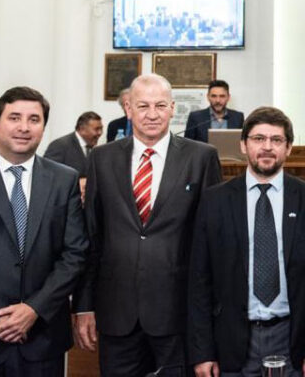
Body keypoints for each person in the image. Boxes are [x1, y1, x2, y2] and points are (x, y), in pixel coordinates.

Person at [73, 74, 222, 376]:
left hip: (177, 313)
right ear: (128, 108)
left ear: (173, 108)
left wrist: (207, 316)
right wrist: (84, 305)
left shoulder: (202, 158)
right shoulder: (102, 158)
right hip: (116, 313)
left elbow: (211, 243)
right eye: (142, 106)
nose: (151, 114)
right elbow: (91, 237)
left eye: (159, 105)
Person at [0, 86, 87, 376]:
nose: (24, 127)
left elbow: (75, 253)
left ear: (43, 128)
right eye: (14, 117)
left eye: (34, 119)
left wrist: (33, 309)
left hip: (41, 340)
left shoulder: (64, 180)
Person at [188, 106, 305, 377]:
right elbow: (199, 280)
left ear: (289, 148)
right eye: (258, 139)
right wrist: (202, 351)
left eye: (276, 140)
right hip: (231, 343)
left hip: (293, 341)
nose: (267, 147)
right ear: (243, 145)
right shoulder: (214, 200)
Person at [44, 111, 103, 175]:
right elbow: (48, 173)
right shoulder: (59, 145)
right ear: (82, 129)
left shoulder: (95, 148)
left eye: (101, 129)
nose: (100, 133)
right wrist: (77, 182)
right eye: (96, 129)